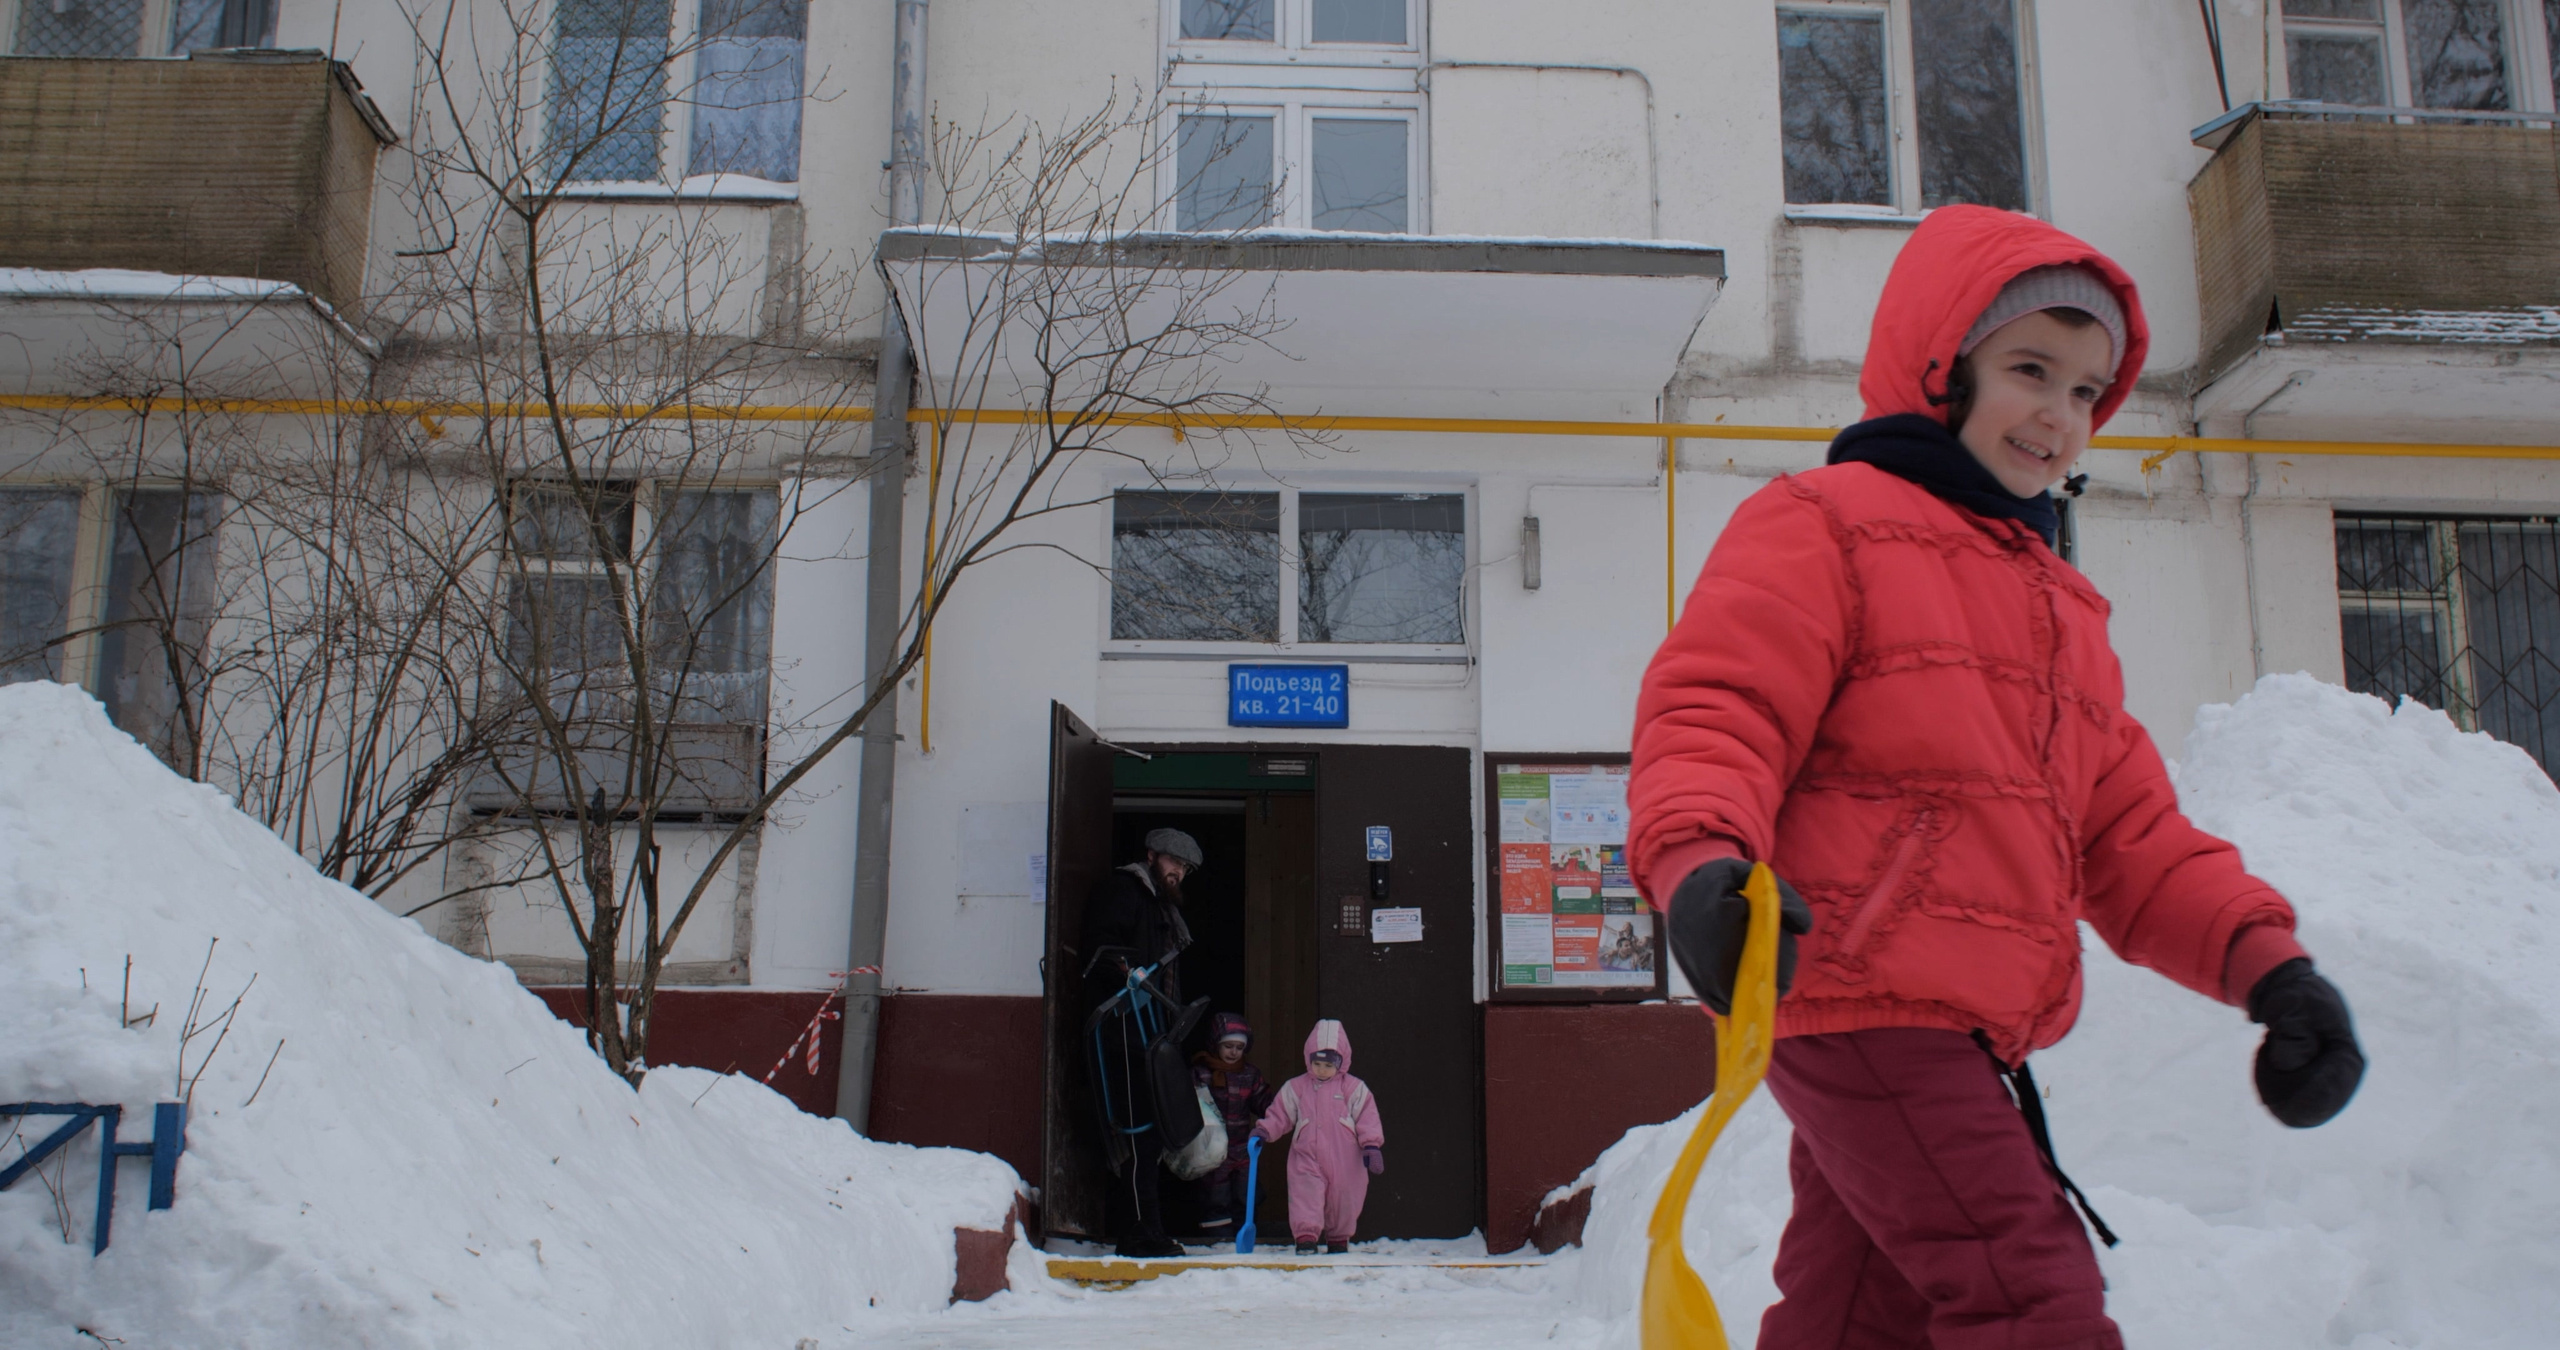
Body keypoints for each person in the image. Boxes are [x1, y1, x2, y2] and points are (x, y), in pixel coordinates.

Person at [1628, 204, 2367, 1348]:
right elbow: (1719, 710)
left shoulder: (2059, 609)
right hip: (1863, 992)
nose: (2059, 415)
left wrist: (2272, 971)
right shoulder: (1824, 525)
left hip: (1962, 1029)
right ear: (1941, 367)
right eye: (2030, 370)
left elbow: (2131, 836)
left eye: (2086, 390)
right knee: (2033, 1299)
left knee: (1857, 1318)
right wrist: (1698, 863)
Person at [1079, 826, 1205, 1260]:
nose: (1179, 873)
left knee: (1151, 1137)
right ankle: (1137, 1232)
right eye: (1174, 863)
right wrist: (1126, 972)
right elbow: (1102, 950)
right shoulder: (1124, 891)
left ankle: (1148, 1228)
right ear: (1152, 855)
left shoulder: (1160, 904)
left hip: (1151, 1034)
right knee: (1137, 1135)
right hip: (1123, 1031)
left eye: (1185, 868)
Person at [1251, 1019, 1384, 1256]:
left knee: (1345, 1199)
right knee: (1305, 1195)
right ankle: (1306, 1238)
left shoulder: (1353, 1088)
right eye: (1317, 1063)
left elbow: (1367, 1117)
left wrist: (1371, 1145)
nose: (1321, 1070)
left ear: (1341, 1063)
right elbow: (1280, 1113)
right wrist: (1265, 1130)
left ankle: (1338, 1239)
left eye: (1328, 1065)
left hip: (1346, 1160)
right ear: (1308, 1059)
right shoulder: (1297, 1087)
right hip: (1307, 1156)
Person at [1188, 1012, 1275, 1235]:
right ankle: (1217, 1240)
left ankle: (1243, 1235)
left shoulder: (1250, 1075)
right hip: (1211, 1148)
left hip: (1243, 1148)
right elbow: (1187, 1108)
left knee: (1246, 1193)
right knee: (1215, 1194)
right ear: (1215, 1044)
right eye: (1228, 1046)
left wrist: (1283, 1108)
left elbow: (1264, 1102)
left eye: (1239, 1047)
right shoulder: (1201, 1073)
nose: (1234, 1052)